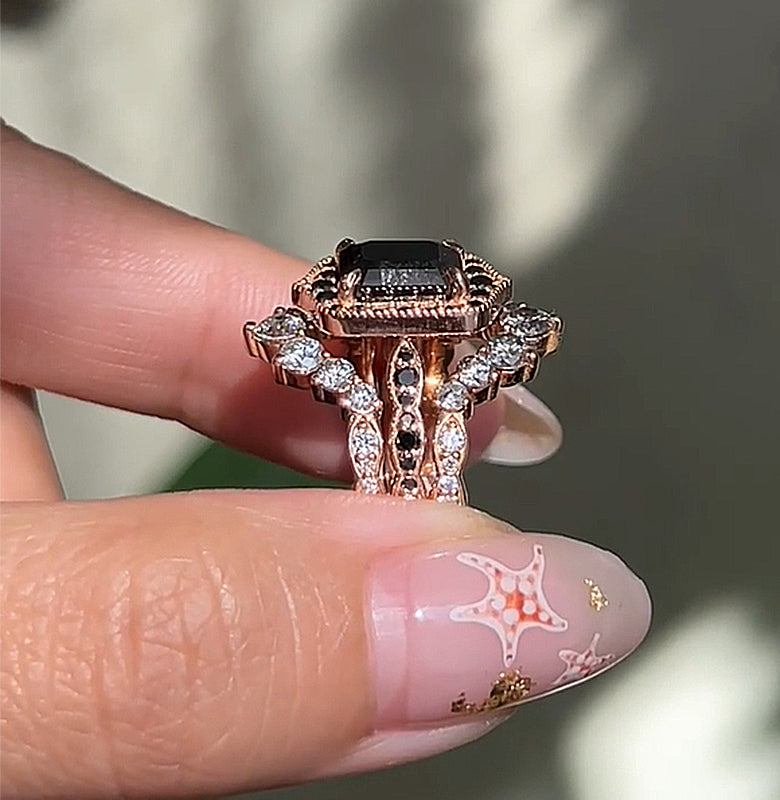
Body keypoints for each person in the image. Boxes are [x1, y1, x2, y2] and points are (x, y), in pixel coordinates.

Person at [0, 123, 650, 798]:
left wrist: (439, 385)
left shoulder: (424, 368)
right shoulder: (383, 368)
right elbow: (284, 335)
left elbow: (516, 334)